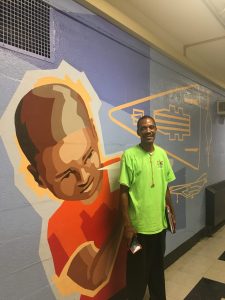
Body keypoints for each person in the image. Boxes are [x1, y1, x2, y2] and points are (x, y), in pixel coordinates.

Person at [14, 83, 126, 299]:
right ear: (39, 177)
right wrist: (124, 215)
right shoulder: (56, 228)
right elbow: (94, 277)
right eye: (66, 174)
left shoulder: (121, 166)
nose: (84, 178)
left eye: (88, 156)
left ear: (94, 132)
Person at [119, 115, 176, 300]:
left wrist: (171, 213)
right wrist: (128, 225)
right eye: (144, 128)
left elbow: (166, 186)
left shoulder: (162, 154)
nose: (148, 130)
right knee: (137, 276)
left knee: (157, 272)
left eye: (151, 127)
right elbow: (123, 192)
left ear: (156, 129)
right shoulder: (130, 155)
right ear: (138, 132)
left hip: (159, 226)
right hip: (138, 229)